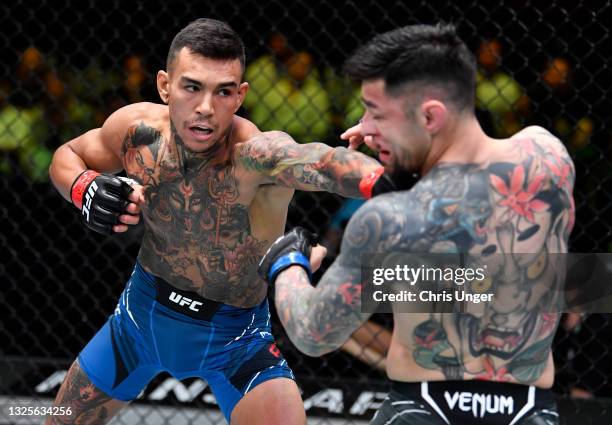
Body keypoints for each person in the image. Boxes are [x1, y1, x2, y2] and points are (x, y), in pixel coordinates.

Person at [45, 18, 388, 425]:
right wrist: (84, 186)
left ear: (240, 95)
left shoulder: (257, 157)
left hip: (236, 342)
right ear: (164, 86)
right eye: (192, 87)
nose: (206, 107)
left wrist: (394, 177)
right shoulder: (137, 132)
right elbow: (67, 155)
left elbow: (325, 163)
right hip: (137, 322)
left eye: (223, 91)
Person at [259, 24, 575, 424]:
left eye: (376, 113)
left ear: (429, 116)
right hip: (529, 409)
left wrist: (287, 263)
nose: (367, 130)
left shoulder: (389, 221)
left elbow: (313, 333)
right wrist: (397, 139)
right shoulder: (548, 159)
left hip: (423, 409)